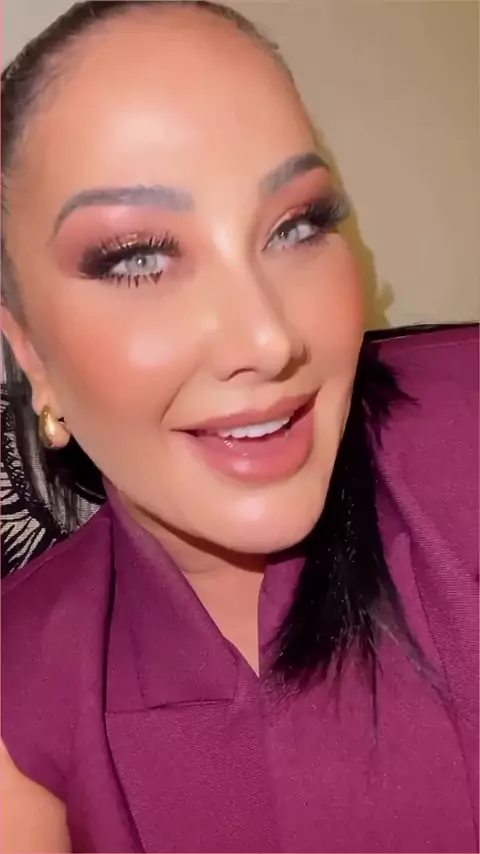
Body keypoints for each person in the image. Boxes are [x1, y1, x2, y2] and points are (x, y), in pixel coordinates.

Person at [0, 2, 478, 852]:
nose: (268, 339)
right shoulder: (24, 677)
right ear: (30, 351)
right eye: (138, 257)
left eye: (297, 226)